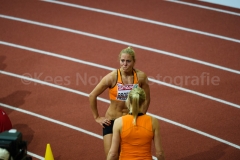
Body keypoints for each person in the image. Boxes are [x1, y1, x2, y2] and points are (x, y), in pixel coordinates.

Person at [89, 46, 150, 157]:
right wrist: (97, 117)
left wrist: (141, 115)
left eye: (128, 61)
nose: (124, 64)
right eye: (122, 61)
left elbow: (146, 98)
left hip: (130, 121)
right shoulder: (112, 77)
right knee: (112, 155)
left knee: (127, 155)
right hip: (112, 120)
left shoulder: (141, 77)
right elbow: (92, 95)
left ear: (134, 62)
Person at [107, 87, 165, 160]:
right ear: (144, 102)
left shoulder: (119, 122)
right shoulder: (153, 121)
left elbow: (113, 154)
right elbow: (159, 153)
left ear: (128, 101)